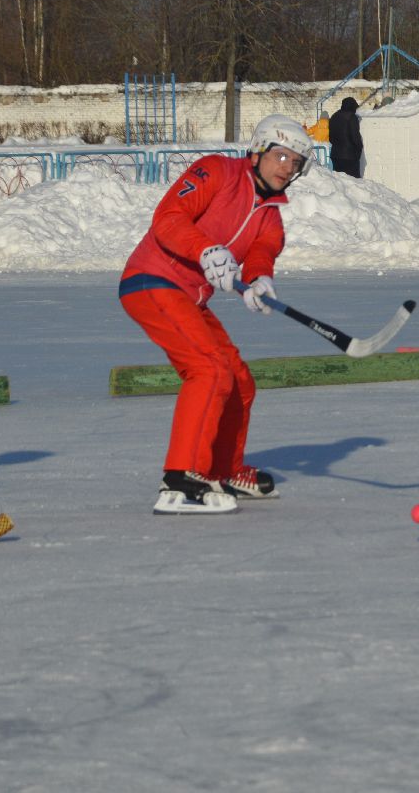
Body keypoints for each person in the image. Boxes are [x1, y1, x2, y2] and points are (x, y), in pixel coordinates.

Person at [118, 114, 313, 514]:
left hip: (189, 298)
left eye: (295, 162)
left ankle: (223, 470)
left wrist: (260, 281)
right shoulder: (217, 171)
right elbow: (168, 219)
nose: (287, 167)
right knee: (208, 369)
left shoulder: (271, 216)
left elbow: (262, 253)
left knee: (239, 381)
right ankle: (181, 477)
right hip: (151, 280)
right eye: (280, 156)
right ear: (257, 151)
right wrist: (205, 249)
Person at [329, 95, 364, 178]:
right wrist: (359, 147)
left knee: (341, 181)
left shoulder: (334, 116)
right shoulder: (352, 118)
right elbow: (355, 136)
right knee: (353, 181)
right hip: (350, 156)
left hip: (335, 154)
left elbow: (331, 137)